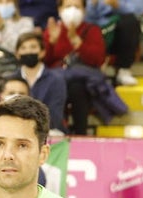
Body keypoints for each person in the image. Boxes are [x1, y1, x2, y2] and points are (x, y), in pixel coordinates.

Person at [43, 0, 105, 136]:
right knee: (53, 85)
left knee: (77, 88)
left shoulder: (92, 30)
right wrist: (51, 43)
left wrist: (77, 42)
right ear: (60, 10)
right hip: (57, 77)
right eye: (68, 6)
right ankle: (55, 129)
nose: (72, 10)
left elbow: (98, 60)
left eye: (77, 7)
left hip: (82, 80)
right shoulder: (53, 30)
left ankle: (80, 134)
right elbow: (44, 62)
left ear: (84, 10)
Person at [14, 31, 66, 133]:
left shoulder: (56, 80)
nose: (28, 51)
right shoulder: (11, 79)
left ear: (42, 52)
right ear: (17, 54)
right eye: (23, 48)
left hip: (48, 132)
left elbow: (55, 116)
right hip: (17, 131)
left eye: (33, 47)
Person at [82, 0, 141, 87]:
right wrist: (93, 5)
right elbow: (84, 15)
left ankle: (124, 70)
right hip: (92, 26)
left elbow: (138, 10)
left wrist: (117, 5)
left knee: (130, 21)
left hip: (118, 26)